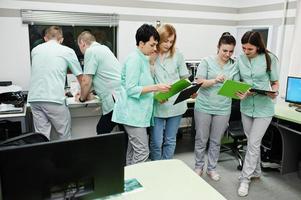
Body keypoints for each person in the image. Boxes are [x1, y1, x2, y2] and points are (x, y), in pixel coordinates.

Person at [112, 24, 170, 165]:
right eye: (152, 45)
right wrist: (156, 87)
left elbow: (142, 87)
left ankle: (129, 182)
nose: (155, 49)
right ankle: (137, 180)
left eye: (156, 45)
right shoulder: (134, 59)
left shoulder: (143, 58)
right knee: (143, 151)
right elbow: (131, 89)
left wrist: (157, 94)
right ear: (141, 43)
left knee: (133, 150)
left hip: (137, 114)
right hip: (132, 115)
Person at [236, 31, 279, 197]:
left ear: (258, 47)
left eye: (250, 49)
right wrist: (239, 91)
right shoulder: (240, 59)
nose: (246, 52)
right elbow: (237, 81)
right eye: (244, 48)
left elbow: (275, 83)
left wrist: (274, 92)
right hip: (246, 106)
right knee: (253, 142)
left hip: (264, 109)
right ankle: (256, 171)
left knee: (253, 143)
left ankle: (244, 179)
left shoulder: (270, 58)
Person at [194, 32, 238, 181]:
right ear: (218, 47)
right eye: (224, 50)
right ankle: (199, 166)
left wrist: (238, 90)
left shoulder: (234, 65)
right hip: (204, 107)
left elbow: (236, 86)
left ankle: (211, 169)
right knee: (201, 139)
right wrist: (215, 80)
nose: (227, 54)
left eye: (231, 51)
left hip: (223, 108)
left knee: (216, 140)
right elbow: (199, 82)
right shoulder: (206, 61)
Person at [28, 26, 82, 140]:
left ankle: (44, 158)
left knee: (42, 137)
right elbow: (80, 76)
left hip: (34, 99)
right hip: (54, 99)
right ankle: (65, 158)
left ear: (45, 38)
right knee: (64, 135)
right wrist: (84, 94)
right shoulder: (67, 51)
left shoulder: (35, 50)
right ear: (61, 39)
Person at [149, 24, 189, 160]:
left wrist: (190, 89)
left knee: (170, 140)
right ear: (158, 39)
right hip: (158, 103)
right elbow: (147, 81)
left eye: (171, 41)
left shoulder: (178, 54)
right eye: (166, 41)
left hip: (175, 104)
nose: (168, 44)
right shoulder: (150, 55)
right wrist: (152, 63)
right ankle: (156, 167)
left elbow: (184, 78)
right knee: (156, 142)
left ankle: (167, 167)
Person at [77, 31, 122, 134]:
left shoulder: (90, 51)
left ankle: (106, 150)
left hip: (114, 99)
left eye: (79, 46)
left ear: (82, 43)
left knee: (102, 130)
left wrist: (82, 98)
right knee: (123, 131)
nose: (81, 50)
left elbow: (86, 81)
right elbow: (101, 76)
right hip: (121, 97)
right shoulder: (104, 48)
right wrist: (91, 92)